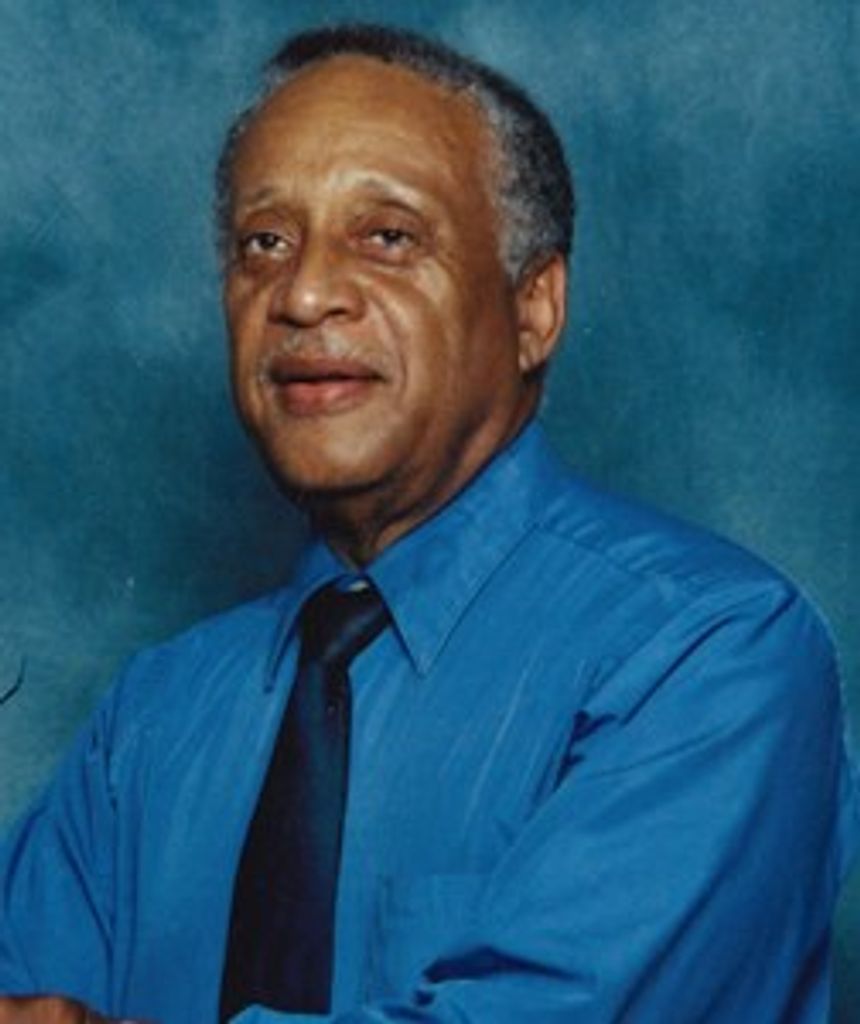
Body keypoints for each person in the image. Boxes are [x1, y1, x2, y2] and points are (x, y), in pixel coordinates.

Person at [0, 22, 857, 1024]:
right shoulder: (150, 719)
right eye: (263, 242)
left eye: (388, 237)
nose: (303, 293)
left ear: (534, 308)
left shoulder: (711, 653)